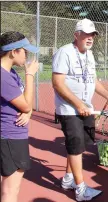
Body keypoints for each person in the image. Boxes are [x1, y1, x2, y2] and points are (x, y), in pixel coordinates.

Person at [52, 18, 108, 201]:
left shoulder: (89, 55)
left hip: (86, 109)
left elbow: (93, 80)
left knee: (79, 146)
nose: (90, 38)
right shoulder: (64, 52)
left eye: (92, 35)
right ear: (77, 35)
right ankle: (80, 189)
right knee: (75, 147)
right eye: (86, 34)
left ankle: (68, 179)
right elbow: (58, 84)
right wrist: (78, 104)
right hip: (69, 109)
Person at [1, 31, 39, 202]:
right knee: (10, 191)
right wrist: (30, 75)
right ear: (13, 52)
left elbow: (25, 104)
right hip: (10, 136)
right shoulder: (3, 76)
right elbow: (25, 104)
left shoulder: (11, 74)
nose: (27, 56)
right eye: (25, 51)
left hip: (13, 135)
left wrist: (28, 111)